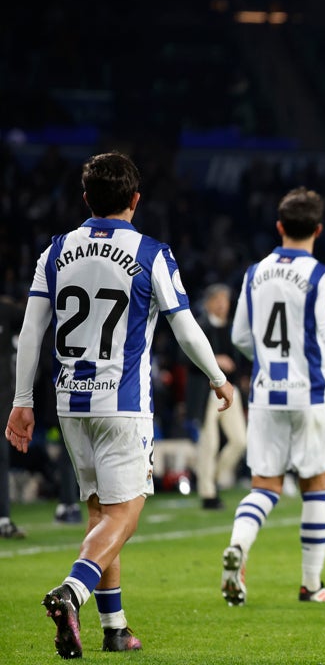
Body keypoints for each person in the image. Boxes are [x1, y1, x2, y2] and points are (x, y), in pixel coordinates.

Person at [5, 151, 234, 658]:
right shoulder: (152, 252)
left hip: (70, 404)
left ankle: (115, 627)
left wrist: (22, 401)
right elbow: (186, 325)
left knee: (99, 513)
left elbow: (30, 331)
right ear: (135, 200)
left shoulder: (55, 250)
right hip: (122, 403)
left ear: (86, 199)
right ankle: (73, 591)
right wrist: (218, 377)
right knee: (124, 516)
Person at [221, 187, 325, 606]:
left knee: (264, 485)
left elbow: (239, 336)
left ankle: (239, 547)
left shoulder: (254, 273)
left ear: (279, 227)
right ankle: (311, 585)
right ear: (318, 230)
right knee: (315, 487)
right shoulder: (322, 276)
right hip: (310, 395)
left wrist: (269, 359)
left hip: (266, 395)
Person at [189, 284, 247, 510]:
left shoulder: (232, 329)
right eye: (219, 299)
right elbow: (184, 356)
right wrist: (213, 360)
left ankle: (212, 478)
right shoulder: (198, 327)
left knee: (240, 440)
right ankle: (208, 494)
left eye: (226, 300)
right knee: (209, 443)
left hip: (230, 390)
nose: (223, 304)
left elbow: (240, 360)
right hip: (207, 392)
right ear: (209, 303)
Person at [0, 296, 26, 538]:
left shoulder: (6, 310)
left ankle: (3, 518)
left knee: (1, 457)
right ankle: (3, 519)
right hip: (4, 394)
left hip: (3, 397)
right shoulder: (6, 309)